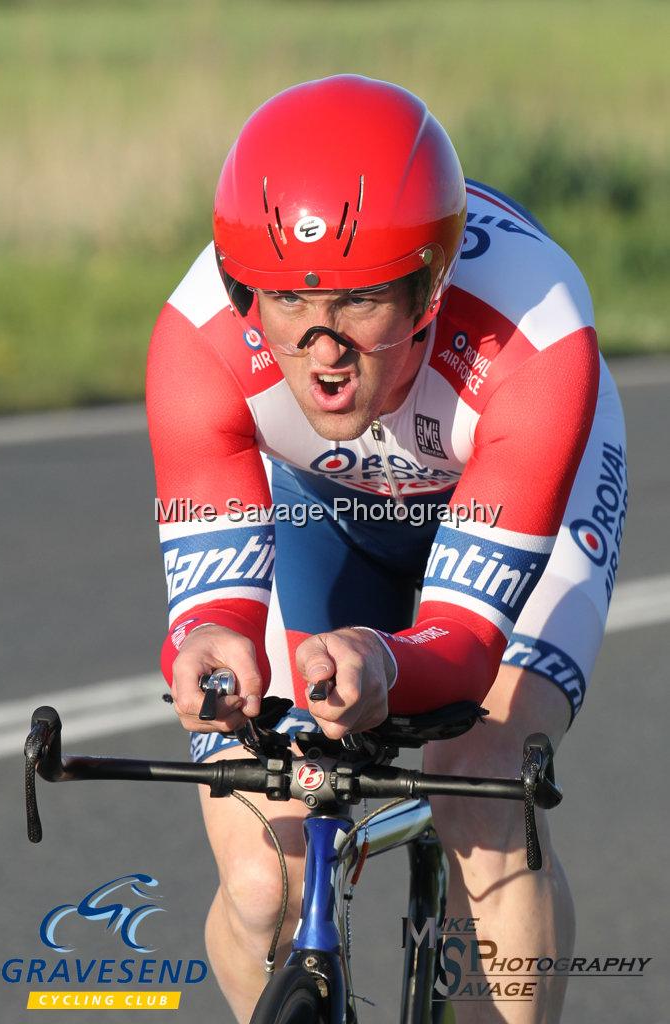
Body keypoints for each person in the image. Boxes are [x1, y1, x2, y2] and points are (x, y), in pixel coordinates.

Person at [146, 75, 627, 1023]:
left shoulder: (535, 334)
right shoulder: (198, 336)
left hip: (510, 485)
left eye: (362, 301)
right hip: (318, 504)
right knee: (261, 882)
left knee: (481, 797)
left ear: (429, 285)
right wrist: (205, 644)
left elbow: (463, 647)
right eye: (287, 301)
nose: (323, 350)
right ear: (246, 289)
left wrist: (381, 661)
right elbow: (213, 616)